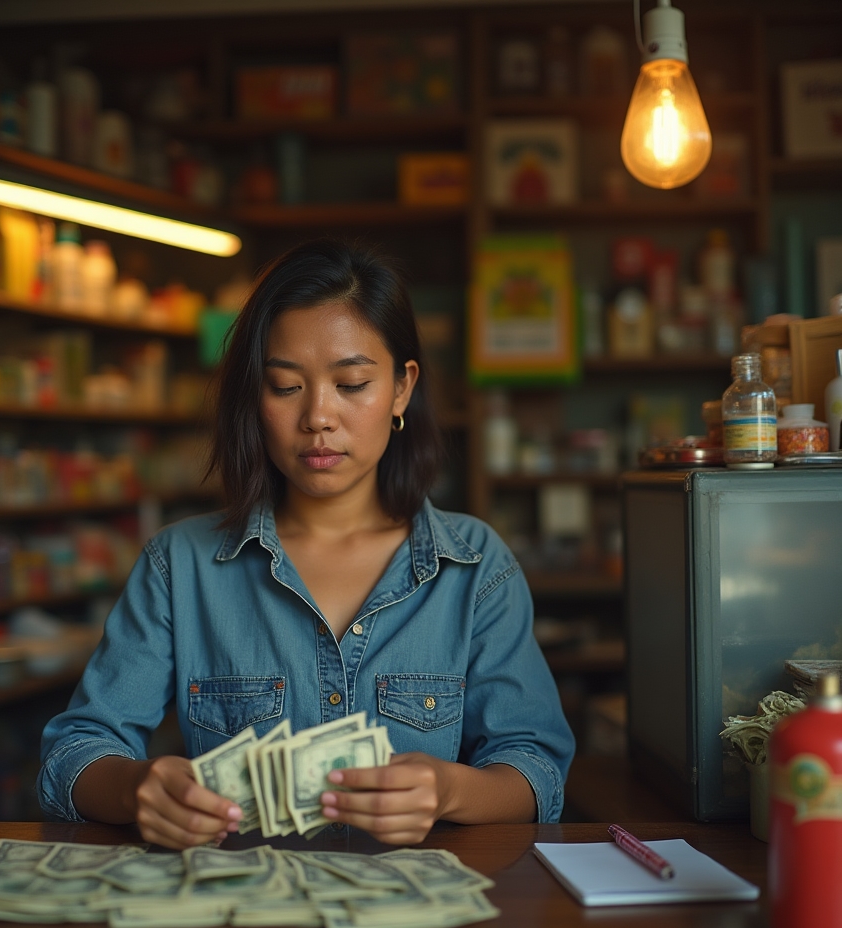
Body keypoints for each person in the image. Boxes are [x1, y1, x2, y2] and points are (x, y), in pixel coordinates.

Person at [38, 239, 574, 850]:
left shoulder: (475, 567)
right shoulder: (178, 565)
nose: (318, 416)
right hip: (238, 919)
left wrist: (449, 790)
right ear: (255, 398)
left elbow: (537, 770)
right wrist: (138, 787)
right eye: (286, 387)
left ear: (401, 389)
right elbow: (74, 755)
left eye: (351, 383)